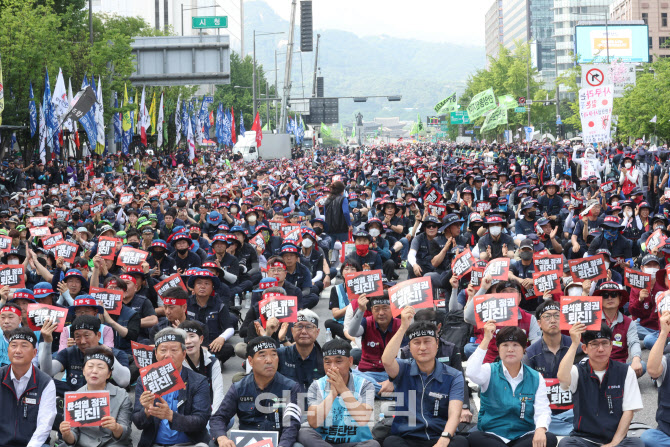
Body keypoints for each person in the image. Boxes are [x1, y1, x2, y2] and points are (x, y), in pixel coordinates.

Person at [381, 309, 469, 447]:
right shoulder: (403, 368)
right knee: (390, 442)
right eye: (416, 342)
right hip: (408, 437)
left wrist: (444, 440)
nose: (422, 347)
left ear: (437, 343)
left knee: (461, 442)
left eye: (427, 341)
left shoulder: (453, 375)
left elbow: (454, 414)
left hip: (440, 436)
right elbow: (386, 360)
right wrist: (404, 327)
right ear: (409, 347)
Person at [466, 322, 556, 447]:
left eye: (515, 345)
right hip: (492, 435)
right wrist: (486, 338)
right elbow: (471, 372)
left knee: (549, 438)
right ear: (498, 349)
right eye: (505, 345)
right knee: (474, 438)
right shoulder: (489, 370)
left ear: (524, 349)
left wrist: (541, 429)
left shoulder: (536, 377)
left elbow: (542, 409)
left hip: (523, 435)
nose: (510, 349)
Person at [556, 323, 644, 447]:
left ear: (611, 346)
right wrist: (574, 343)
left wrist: (614, 443)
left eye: (605, 343)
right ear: (585, 348)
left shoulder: (625, 371)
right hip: (585, 439)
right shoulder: (578, 371)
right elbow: (562, 376)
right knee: (566, 444)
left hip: (615, 440)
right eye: (595, 344)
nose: (601, 349)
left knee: (636, 443)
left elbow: (628, 411)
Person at [210, 336, 302, 447]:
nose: (269, 360)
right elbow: (218, 418)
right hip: (246, 442)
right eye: (262, 355)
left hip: (278, 442)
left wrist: (283, 445)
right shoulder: (239, 387)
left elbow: (292, 425)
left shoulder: (291, 387)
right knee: (214, 443)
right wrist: (222, 438)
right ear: (250, 361)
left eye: (273, 354)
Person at [132, 328, 211, 447]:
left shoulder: (198, 381)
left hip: (189, 443)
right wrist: (147, 411)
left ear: (184, 354)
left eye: (174, 350)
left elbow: (200, 421)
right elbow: (138, 423)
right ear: (155, 354)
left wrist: (170, 415)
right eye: (163, 350)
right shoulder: (144, 380)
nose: (168, 355)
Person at [300, 338, 379, 447]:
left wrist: (343, 389)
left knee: (373, 445)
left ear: (350, 361)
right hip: (325, 442)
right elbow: (313, 422)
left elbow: (363, 419)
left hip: (355, 442)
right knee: (304, 433)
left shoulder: (365, 385)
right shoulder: (317, 385)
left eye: (338, 361)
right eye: (327, 362)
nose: (332, 367)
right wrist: (332, 394)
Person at [523, 300, 582, 436]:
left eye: (557, 316)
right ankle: (575, 429)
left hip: (573, 408)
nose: (553, 320)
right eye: (547, 316)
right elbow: (526, 389)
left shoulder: (576, 345)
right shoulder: (531, 353)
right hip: (544, 409)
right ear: (538, 323)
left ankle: (562, 426)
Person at [58, 345, 133, 447]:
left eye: (100, 367)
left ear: (109, 374)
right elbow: (72, 438)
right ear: (83, 371)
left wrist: (116, 427)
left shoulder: (122, 395)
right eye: (90, 366)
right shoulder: (74, 398)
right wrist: (66, 434)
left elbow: (126, 431)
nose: (94, 371)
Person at [0, 327, 56, 447]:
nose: (18, 351)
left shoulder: (45, 382)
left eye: (24, 346)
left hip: (34, 443)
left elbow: (45, 424)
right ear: (8, 350)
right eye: (13, 345)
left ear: (35, 353)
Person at [346, 292, 400, 395]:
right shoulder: (366, 322)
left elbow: (405, 358)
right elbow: (352, 332)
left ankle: (373, 390)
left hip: (391, 374)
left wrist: (392, 381)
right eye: (376, 309)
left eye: (385, 308)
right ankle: (386, 392)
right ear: (371, 310)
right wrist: (361, 310)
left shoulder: (400, 325)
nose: (381, 313)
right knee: (346, 374)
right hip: (367, 373)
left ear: (393, 309)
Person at [180, 320, 225, 415]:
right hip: (184, 414)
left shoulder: (212, 362)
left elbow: (218, 391)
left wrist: (215, 418)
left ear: (201, 339)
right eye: (183, 337)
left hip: (207, 410)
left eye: (192, 336)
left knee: (228, 418)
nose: (188, 341)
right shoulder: (176, 363)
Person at [277, 309, 325, 392]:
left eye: (309, 327)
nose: (303, 331)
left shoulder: (325, 359)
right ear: (292, 331)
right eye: (299, 326)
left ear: (317, 332)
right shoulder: (279, 355)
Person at [643, 310, 670, 446]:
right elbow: (652, 370)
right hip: (667, 431)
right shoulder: (667, 359)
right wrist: (664, 333)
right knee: (648, 437)